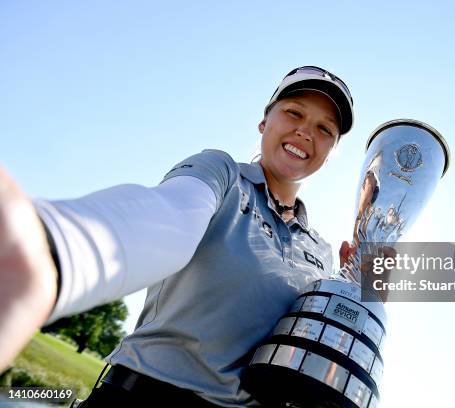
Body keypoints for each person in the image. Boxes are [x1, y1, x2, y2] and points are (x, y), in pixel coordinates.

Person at [0, 66, 354, 407]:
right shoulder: (221, 173)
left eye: (325, 129)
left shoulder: (321, 252)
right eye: (294, 113)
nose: (306, 132)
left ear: (331, 152)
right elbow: (171, 215)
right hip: (140, 396)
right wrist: (57, 245)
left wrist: (361, 293)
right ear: (265, 121)